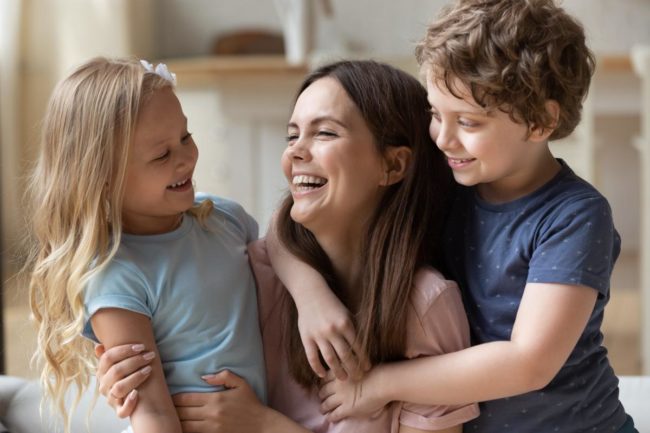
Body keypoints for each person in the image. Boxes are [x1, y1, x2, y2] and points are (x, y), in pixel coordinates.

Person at [261, 1, 641, 432]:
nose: (443, 138)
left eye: (469, 122)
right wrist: (310, 294)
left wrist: (380, 384)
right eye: (435, 115)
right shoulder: (451, 176)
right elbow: (288, 219)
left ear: (540, 122)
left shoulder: (574, 216)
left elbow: (529, 361)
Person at [95, 60, 480, 432]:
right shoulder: (255, 271)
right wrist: (129, 378)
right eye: (292, 135)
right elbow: (172, 331)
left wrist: (264, 426)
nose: (295, 151)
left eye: (325, 133)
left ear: (393, 167)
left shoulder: (424, 307)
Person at [22, 57, 266, 433]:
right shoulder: (115, 277)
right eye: (161, 155)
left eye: (186, 137)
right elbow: (150, 412)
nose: (185, 158)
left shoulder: (227, 219)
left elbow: (286, 277)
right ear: (102, 178)